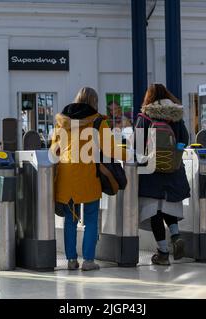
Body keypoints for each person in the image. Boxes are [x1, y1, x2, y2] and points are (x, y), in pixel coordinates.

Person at [50, 87, 127, 271]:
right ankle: (89, 261)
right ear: (94, 102)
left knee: (70, 220)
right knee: (91, 219)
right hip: (88, 177)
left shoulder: (62, 122)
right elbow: (110, 150)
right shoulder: (98, 121)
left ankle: (71, 260)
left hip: (66, 177)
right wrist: (130, 155)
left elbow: (54, 151)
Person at [135, 84, 191, 266]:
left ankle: (163, 253)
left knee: (155, 213)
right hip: (173, 172)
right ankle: (175, 235)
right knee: (168, 208)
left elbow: (136, 145)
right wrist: (174, 155)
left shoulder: (144, 117)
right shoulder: (176, 117)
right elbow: (184, 140)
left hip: (150, 173)